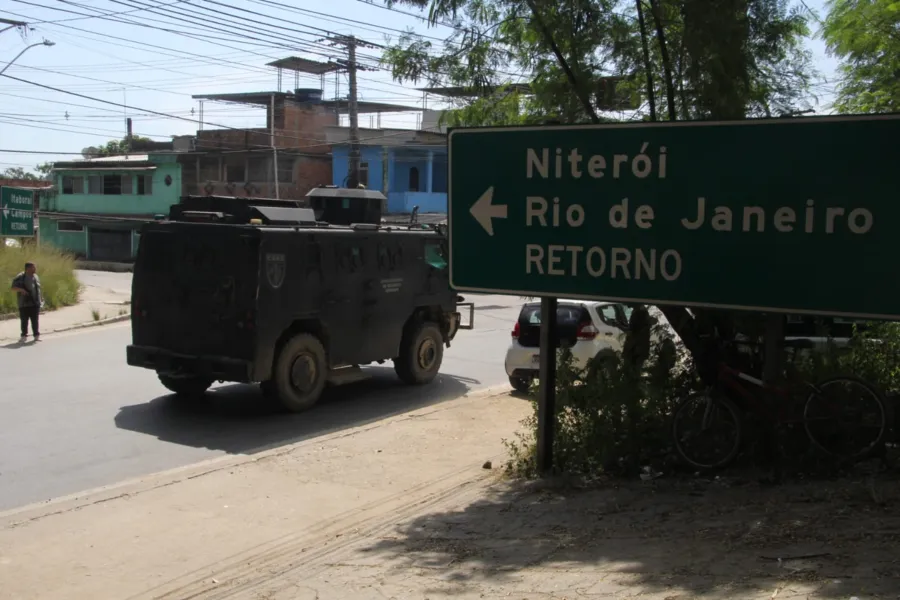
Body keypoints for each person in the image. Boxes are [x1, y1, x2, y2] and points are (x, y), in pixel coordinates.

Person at [10, 262, 42, 343]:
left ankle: (36, 335)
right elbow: (13, 287)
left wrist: (40, 299)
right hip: (24, 303)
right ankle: (23, 336)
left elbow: (38, 289)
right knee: (24, 321)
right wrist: (21, 290)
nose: (35, 269)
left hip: (35, 303)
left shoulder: (36, 277)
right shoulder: (21, 276)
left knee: (35, 320)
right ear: (28, 268)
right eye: (33, 267)